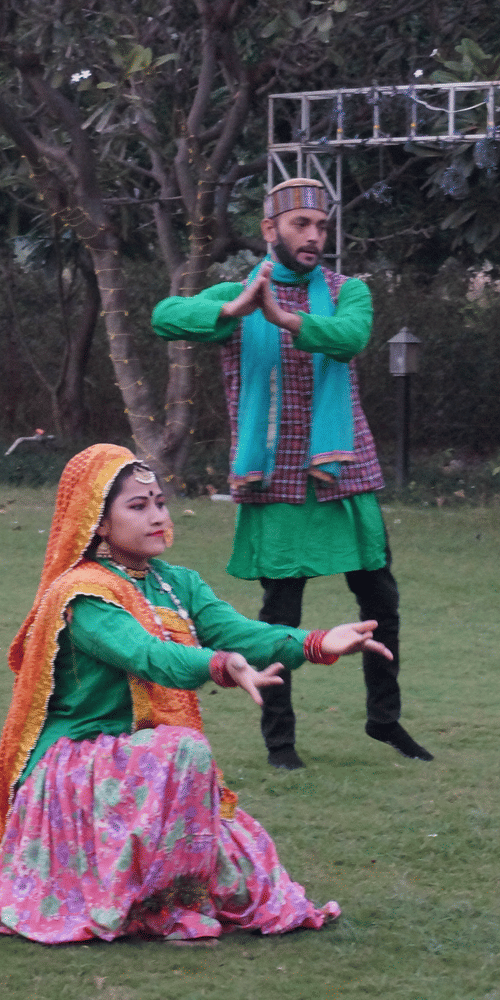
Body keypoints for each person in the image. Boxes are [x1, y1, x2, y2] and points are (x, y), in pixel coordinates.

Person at [0, 443, 393, 945]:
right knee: (184, 749)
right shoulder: (82, 596)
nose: (157, 517)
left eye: (160, 503)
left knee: (254, 880)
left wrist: (316, 642)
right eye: (138, 507)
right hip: (80, 766)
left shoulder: (173, 583)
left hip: (146, 765)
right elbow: (147, 656)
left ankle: (170, 896)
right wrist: (219, 664)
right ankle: (152, 903)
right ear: (98, 522)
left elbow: (241, 633)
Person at [152, 176, 433, 771]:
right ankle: (281, 744)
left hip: (343, 470)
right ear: (269, 230)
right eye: (301, 225)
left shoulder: (346, 289)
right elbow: (165, 316)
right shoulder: (238, 292)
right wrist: (234, 309)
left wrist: (282, 318)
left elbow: (351, 337)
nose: (314, 236)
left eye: (322, 226)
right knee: (280, 613)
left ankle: (385, 722)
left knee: (380, 598)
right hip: (274, 478)